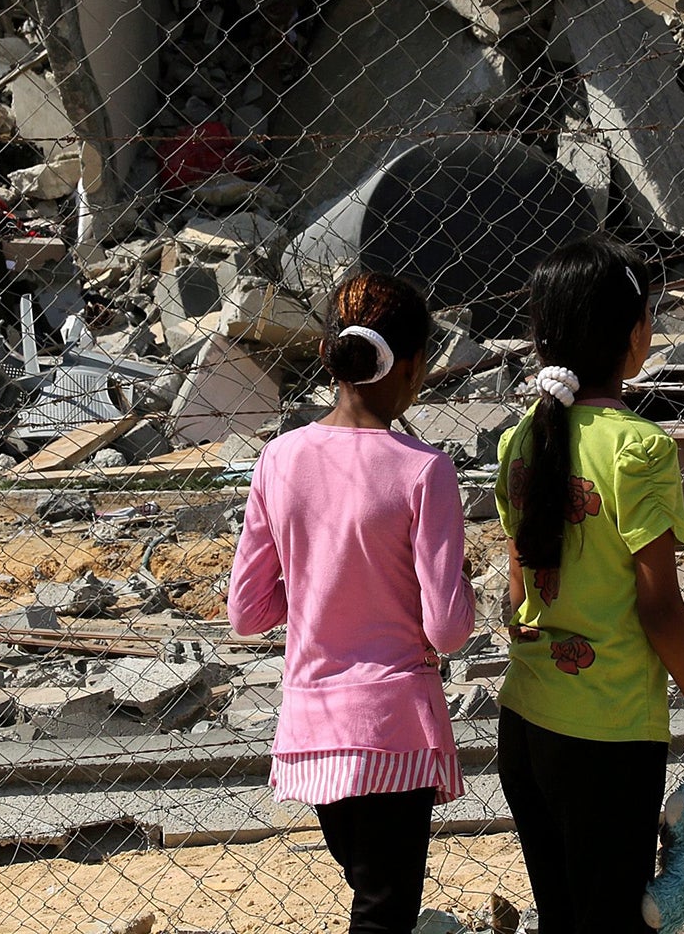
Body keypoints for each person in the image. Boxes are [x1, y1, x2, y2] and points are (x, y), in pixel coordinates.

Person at [495, 239, 684, 934]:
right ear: (635, 336)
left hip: (528, 721)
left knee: (564, 916)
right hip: (607, 733)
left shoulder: (522, 440)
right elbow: (659, 606)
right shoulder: (638, 447)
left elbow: (517, 592)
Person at [227, 271, 477, 934]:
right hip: (395, 726)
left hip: (314, 730)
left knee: (373, 897)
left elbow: (247, 612)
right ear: (414, 364)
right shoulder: (425, 469)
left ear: (330, 356)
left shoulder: (278, 460)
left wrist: (318, 579)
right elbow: (448, 629)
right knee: (384, 910)